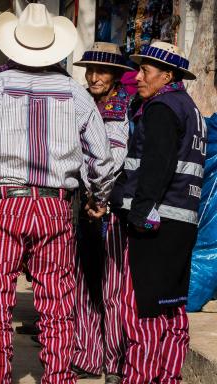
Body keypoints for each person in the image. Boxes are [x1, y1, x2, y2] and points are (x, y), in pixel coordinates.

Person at [0, 4, 116, 383]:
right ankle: (58, 377)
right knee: (56, 301)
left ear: (14, 46)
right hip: (53, 207)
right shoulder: (74, 93)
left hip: (4, 206)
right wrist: (99, 197)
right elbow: (103, 158)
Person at [110, 41, 206, 383]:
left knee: (142, 309)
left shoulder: (162, 108)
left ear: (167, 75)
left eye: (145, 71)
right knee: (171, 307)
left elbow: (157, 165)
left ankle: (141, 377)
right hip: (181, 223)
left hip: (156, 224)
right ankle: (166, 378)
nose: (137, 78)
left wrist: (138, 212)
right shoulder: (188, 108)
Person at [69, 42, 134, 384]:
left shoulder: (120, 106)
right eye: (90, 70)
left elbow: (113, 158)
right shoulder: (83, 101)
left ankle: (116, 359)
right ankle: (88, 355)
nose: (93, 77)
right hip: (85, 200)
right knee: (85, 281)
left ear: (117, 76)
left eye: (101, 71)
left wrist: (100, 197)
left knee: (110, 285)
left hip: (106, 204)